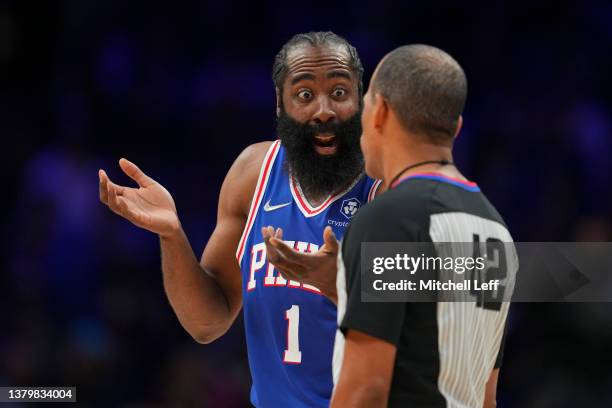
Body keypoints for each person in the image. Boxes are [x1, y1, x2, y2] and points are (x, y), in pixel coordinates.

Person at [98, 31, 382, 408]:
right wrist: (172, 235)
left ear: (362, 103)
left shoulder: (387, 186)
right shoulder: (253, 173)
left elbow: (444, 311)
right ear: (280, 107)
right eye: (304, 95)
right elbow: (207, 323)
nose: (324, 109)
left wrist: (345, 283)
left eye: (340, 93)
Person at [264, 45, 517, 407]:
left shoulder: (388, 219)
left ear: (379, 111)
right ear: (455, 127)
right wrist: (344, 284)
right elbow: (486, 397)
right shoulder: (494, 230)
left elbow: (366, 389)